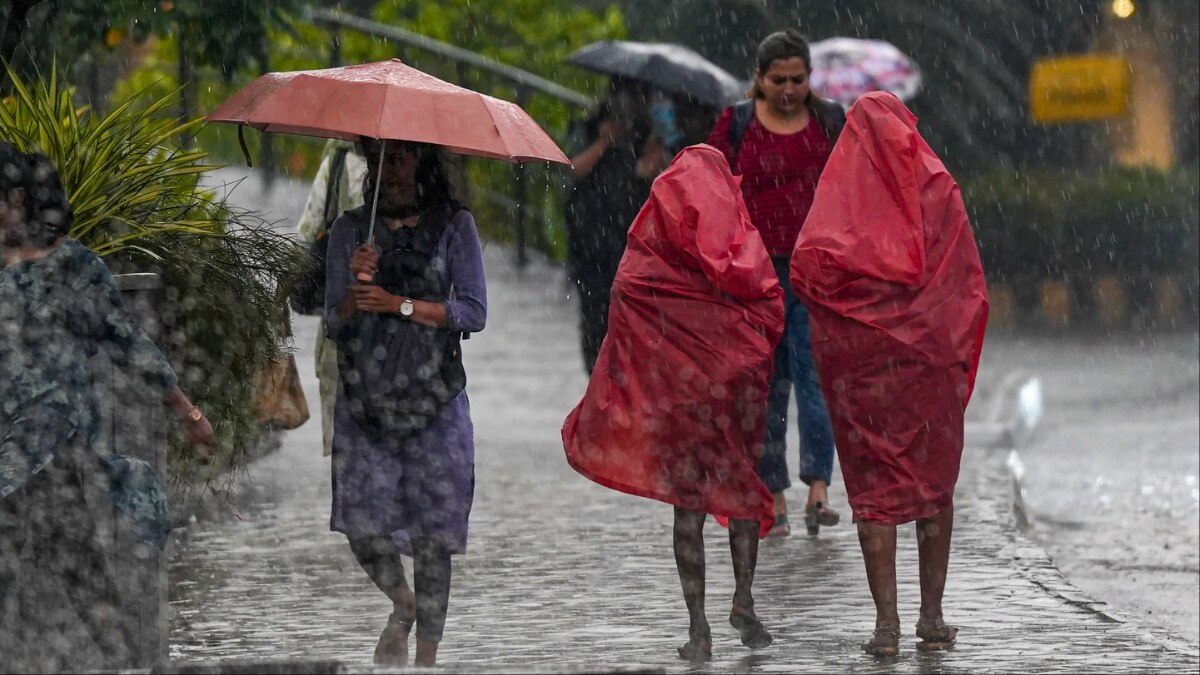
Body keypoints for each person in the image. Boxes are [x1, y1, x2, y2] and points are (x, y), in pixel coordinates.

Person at [563, 144, 784, 662]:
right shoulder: (736, 234)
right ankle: (744, 596)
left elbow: (626, 301)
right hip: (732, 394)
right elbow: (767, 301)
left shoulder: (654, 244)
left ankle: (698, 627)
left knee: (689, 510)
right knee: (742, 489)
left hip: (679, 399)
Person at [0, 144, 214, 671]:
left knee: (73, 567)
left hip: (58, 447)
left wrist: (186, 411)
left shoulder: (76, 269)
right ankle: (122, 659)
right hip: (11, 447)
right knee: (71, 568)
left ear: (17, 200)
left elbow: (128, 344)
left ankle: (123, 659)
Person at [790, 92, 989, 656]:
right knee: (933, 488)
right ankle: (931, 614)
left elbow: (809, 275)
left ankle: (887, 625)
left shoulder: (839, 199)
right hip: (928, 371)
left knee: (874, 492)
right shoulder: (938, 187)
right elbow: (966, 285)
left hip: (864, 377)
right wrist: (942, 345)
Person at [324, 138, 486, 668]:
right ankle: (402, 601)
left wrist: (401, 305)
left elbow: (473, 310)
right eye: (377, 161)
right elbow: (334, 320)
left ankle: (426, 662)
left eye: (397, 159)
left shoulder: (454, 226)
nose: (386, 171)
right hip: (365, 401)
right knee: (363, 525)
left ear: (423, 162)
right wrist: (356, 285)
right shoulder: (351, 230)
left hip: (435, 399)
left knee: (434, 537)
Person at [707, 28, 846, 537]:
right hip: (756, 273)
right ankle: (774, 493)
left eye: (798, 79)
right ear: (759, 80)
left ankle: (818, 489)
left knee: (815, 376)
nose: (789, 90)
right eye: (778, 80)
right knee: (767, 383)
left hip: (815, 270)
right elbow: (710, 180)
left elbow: (852, 183)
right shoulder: (737, 123)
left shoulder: (830, 120)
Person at [564, 77, 654, 375]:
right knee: (594, 319)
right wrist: (605, 141)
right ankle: (598, 380)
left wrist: (651, 157)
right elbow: (572, 169)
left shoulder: (647, 138)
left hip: (632, 247)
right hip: (591, 245)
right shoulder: (589, 128)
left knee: (633, 321)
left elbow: (649, 179)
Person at [294, 140, 367, 456]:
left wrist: (278, 300)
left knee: (341, 432)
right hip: (399, 329)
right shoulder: (414, 160)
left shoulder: (337, 161)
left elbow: (309, 231)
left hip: (342, 315)